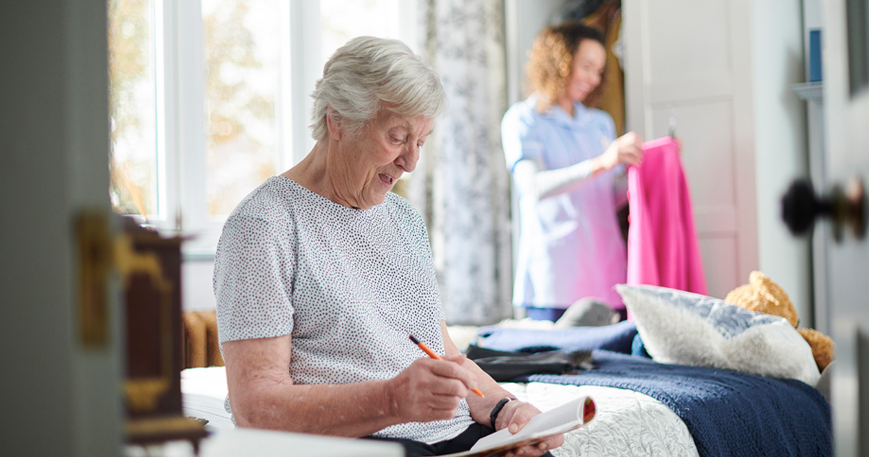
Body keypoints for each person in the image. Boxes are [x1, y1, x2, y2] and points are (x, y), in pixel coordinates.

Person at [213, 36, 562, 457]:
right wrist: (392, 400)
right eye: (397, 137)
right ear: (337, 120)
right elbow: (256, 410)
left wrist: (506, 410)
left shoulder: (403, 219)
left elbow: (446, 353)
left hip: (452, 437)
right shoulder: (262, 227)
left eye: (422, 141)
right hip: (358, 443)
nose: (411, 162)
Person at [501, 22, 643, 322]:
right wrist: (603, 162)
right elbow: (533, 187)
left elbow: (607, 197)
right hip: (554, 277)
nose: (593, 78)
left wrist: (648, 170)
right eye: (587, 66)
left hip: (606, 272)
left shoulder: (600, 123)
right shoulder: (523, 120)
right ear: (559, 63)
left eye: (599, 71)